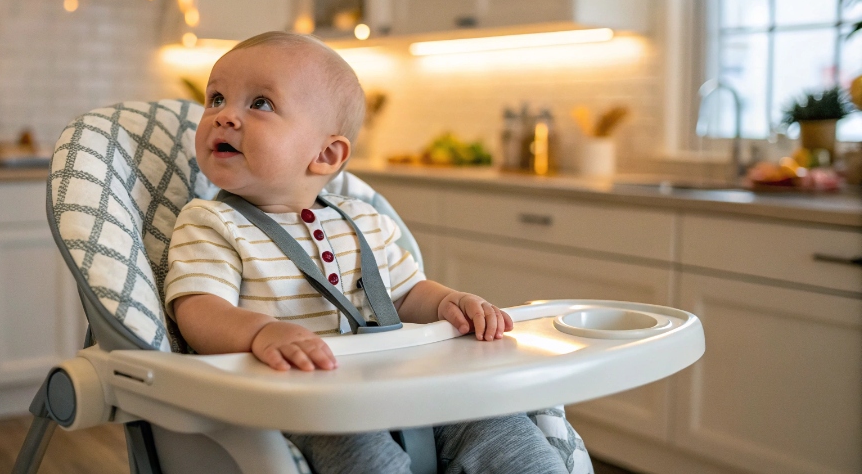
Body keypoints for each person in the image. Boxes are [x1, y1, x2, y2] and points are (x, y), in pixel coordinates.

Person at [164, 31, 577, 474]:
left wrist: (448, 302)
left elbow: (405, 294)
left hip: (402, 381)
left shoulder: (363, 218)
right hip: (304, 401)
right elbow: (198, 310)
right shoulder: (211, 223)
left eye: (259, 103)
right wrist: (261, 333)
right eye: (216, 99)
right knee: (364, 457)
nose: (224, 117)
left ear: (325, 153)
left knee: (498, 424)